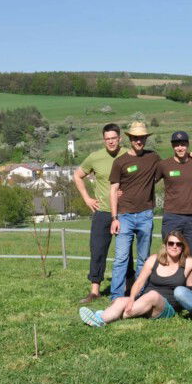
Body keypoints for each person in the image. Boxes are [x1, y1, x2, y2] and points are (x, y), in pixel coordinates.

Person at [79, 231, 192, 327]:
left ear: (182, 247)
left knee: (153, 295)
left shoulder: (188, 262)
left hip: (166, 307)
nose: (174, 247)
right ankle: (101, 318)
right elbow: (139, 282)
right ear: (166, 245)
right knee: (121, 300)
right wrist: (132, 298)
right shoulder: (153, 259)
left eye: (178, 244)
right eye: (171, 243)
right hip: (144, 301)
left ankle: (101, 316)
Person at [74, 123, 133, 304]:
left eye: (114, 138)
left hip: (124, 212)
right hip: (102, 212)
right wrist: (87, 199)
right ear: (104, 140)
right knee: (98, 250)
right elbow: (77, 175)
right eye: (107, 139)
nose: (111, 142)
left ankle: (130, 287)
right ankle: (95, 291)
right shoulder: (95, 157)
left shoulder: (129, 154)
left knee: (126, 252)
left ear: (119, 139)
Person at [108, 121, 161, 299]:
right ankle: (116, 296)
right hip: (124, 216)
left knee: (144, 260)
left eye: (142, 138)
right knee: (121, 259)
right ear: (130, 139)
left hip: (146, 215)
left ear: (146, 139)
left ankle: (138, 294)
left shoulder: (153, 157)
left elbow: (169, 168)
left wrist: (191, 155)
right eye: (136, 138)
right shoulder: (120, 162)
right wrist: (114, 218)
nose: (139, 141)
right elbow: (114, 190)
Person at [155, 131, 192, 256]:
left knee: (191, 253)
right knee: (170, 252)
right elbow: (148, 183)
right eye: (177, 145)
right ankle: (170, 275)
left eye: (183, 144)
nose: (180, 148)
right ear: (172, 146)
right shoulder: (164, 165)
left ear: (188, 145)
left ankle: (190, 276)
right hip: (172, 216)